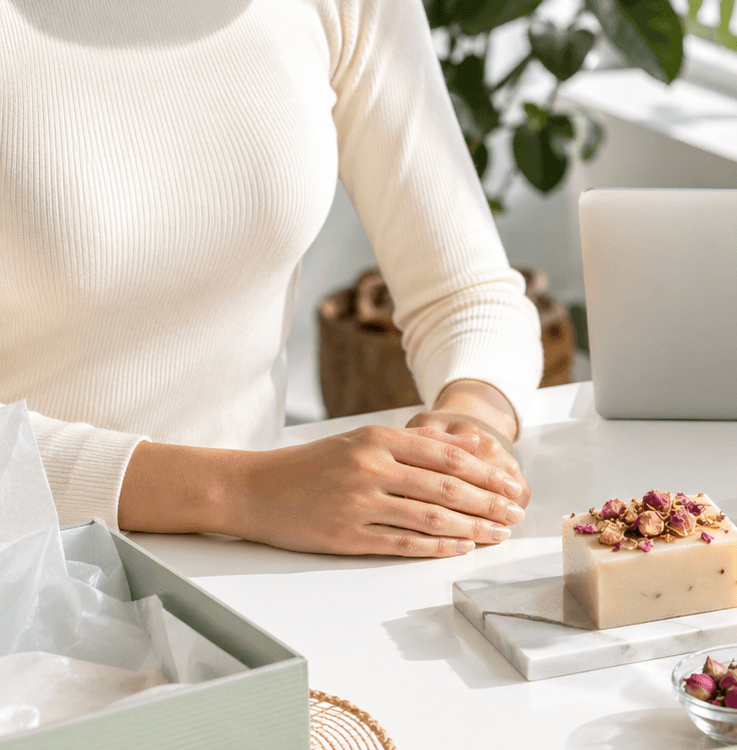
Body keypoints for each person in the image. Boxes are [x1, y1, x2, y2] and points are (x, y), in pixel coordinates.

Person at [2, 0, 538, 558]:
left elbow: (468, 293)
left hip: (255, 574)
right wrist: (238, 490)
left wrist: (468, 431)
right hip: (27, 574)